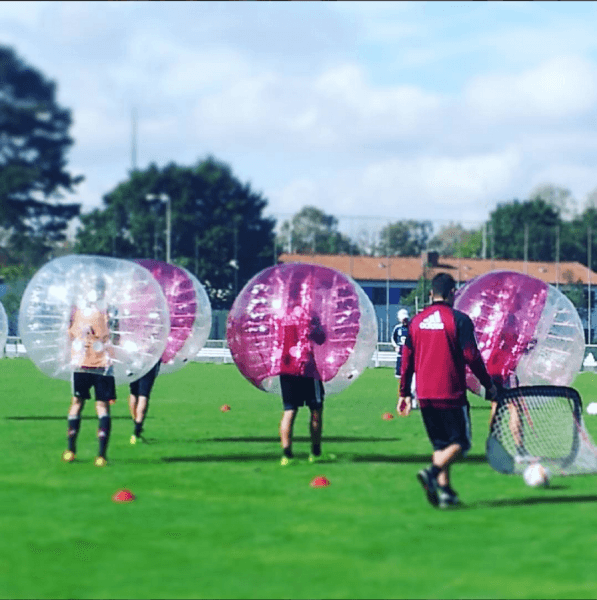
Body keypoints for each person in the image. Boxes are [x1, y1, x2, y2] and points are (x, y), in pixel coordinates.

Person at [397, 272, 498, 509]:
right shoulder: (459, 320)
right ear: (453, 293)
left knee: (440, 446)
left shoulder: (416, 321)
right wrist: (488, 384)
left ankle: (445, 493)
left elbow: (406, 361)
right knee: (461, 443)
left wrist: (404, 393)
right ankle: (432, 473)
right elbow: (472, 357)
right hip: (450, 393)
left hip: (425, 396)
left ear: (431, 294)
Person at [62, 286, 115, 467]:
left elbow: (69, 334)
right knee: (102, 407)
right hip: (104, 366)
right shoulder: (108, 311)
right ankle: (101, 455)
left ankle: (70, 450)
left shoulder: (76, 312)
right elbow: (115, 337)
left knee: (76, 403)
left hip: (81, 364)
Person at [279, 311, 333, 466]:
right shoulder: (309, 313)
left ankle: (287, 456)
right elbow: (321, 338)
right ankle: (315, 453)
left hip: (286, 367)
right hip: (307, 367)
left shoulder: (282, 314)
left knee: (289, 410)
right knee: (316, 409)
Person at [128, 358, 161, 444]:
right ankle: (137, 430)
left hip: (134, 362)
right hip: (149, 361)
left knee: (133, 393)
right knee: (143, 395)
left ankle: (136, 424)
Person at [391, 308, 417, 409]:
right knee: (401, 378)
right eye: (403, 319)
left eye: (406, 318)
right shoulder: (397, 329)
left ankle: (412, 400)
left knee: (413, 381)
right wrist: (395, 346)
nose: (404, 321)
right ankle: (403, 397)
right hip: (400, 357)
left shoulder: (412, 328)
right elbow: (393, 339)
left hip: (412, 357)